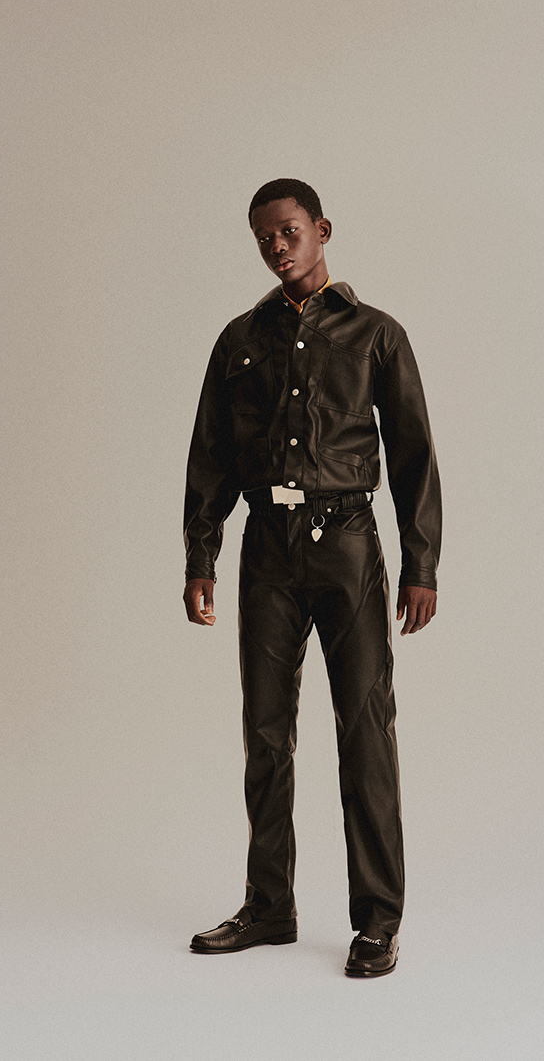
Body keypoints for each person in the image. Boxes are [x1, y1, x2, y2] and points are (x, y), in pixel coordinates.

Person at [183, 179, 441, 977]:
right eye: (264, 236)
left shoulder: (376, 334)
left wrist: (421, 563)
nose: (277, 246)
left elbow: (414, 452)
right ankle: (269, 904)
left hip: (349, 543)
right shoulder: (238, 339)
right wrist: (200, 555)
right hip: (268, 545)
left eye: (289, 230)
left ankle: (378, 920)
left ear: (322, 229)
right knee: (265, 731)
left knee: (365, 728)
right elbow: (211, 454)